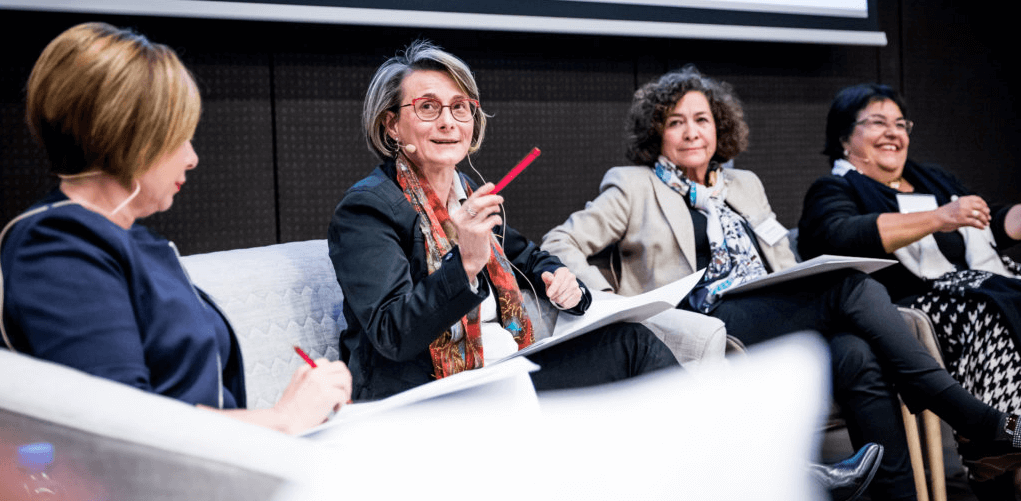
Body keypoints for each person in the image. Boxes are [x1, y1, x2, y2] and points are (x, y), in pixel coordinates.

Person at [541, 65, 1021, 500]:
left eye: (702, 119)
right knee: (850, 287)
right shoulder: (633, 185)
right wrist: (600, 298)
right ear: (656, 132)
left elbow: (781, 259)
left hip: (766, 308)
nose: (692, 132)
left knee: (856, 352)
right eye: (676, 122)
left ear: (719, 127)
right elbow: (560, 242)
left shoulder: (743, 184)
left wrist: (803, 282)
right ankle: (973, 419)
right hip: (705, 320)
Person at [0, 23, 351, 435]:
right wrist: (282, 420)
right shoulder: (57, 246)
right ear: (130, 134)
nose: (192, 158)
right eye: (179, 136)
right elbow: (120, 430)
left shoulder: (128, 239)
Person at [327, 39, 682, 403]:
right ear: (392, 126)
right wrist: (464, 263)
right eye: (428, 107)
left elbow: (530, 258)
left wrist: (562, 282)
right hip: (427, 395)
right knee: (632, 347)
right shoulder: (366, 209)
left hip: (506, 367)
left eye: (460, 107)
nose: (448, 122)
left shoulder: (466, 193)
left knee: (629, 340)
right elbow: (392, 333)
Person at [799, 83, 1021, 494]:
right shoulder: (835, 189)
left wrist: (1011, 218)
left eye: (900, 123)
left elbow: (982, 225)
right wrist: (939, 216)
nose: (892, 132)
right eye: (877, 122)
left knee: (1003, 293)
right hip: (909, 308)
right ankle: (1002, 435)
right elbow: (840, 236)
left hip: (978, 286)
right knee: (989, 306)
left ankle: (1006, 437)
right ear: (845, 137)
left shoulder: (932, 178)